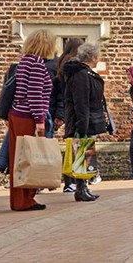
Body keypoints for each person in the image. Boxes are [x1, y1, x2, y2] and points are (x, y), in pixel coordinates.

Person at [8, 29, 57, 211]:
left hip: (16, 114)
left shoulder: (25, 61)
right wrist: (40, 120)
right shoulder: (37, 63)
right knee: (28, 158)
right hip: (27, 116)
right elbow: (34, 94)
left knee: (17, 159)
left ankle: (17, 200)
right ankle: (26, 200)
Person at [63, 43, 108, 202]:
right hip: (83, 121)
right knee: (81, 155)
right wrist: (82, 125)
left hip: (88, 120)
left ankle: (83, 187)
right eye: (98, 55)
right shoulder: (81, 75)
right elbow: (81, 102)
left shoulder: (85, 73)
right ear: (93, 57)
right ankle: (81, 188)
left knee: (84, 155)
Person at [53, 38, 83, 192]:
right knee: (77, 145)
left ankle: (71, 181)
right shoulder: (73, 65)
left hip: (68, 110)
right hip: (75, 110)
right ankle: (75, 181)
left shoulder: (62, 62)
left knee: (72, 146)